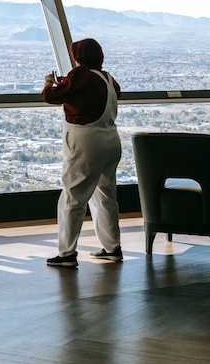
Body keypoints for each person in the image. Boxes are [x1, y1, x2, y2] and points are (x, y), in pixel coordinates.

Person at [41, 38, 123, 268]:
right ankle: (112, 247)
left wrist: (49, 83)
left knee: (73, 196)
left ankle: (67, 253)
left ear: (79, 57)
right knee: (105, 196)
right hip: (111, 139)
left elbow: (51, 96)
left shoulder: (82, 75)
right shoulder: (108, 78)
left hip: (87, 141)